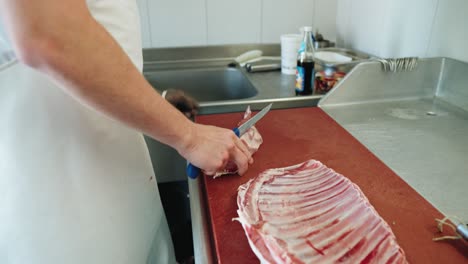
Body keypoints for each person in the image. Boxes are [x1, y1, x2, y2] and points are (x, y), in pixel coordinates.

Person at [0, 0, 252, 263]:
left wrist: (153, 103)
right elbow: (47, 32)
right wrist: (190, 137)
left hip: (119, 195)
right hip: (64, 206)